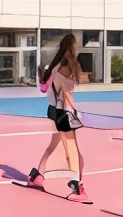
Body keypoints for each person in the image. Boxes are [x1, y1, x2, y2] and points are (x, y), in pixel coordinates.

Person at [25, 33, 92, 202]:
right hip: (64, 114)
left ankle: (37, 176)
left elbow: (47, 88)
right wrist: (78, 112)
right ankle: (76, 187)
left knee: (53, 146)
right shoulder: (65, 67)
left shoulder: (54, 67)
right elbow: (68, 93)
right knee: (72, 150)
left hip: (54, 112)